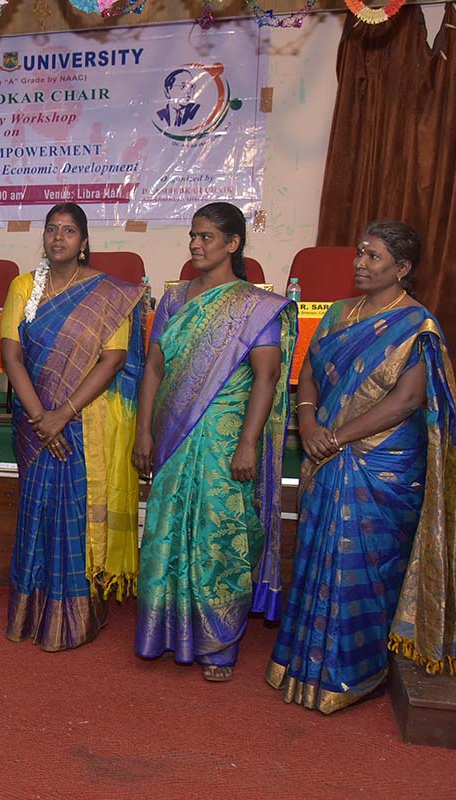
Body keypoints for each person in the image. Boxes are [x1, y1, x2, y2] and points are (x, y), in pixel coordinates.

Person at [268, 221, 456, 713]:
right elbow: (309, 373)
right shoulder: (336, 313)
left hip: (382, 463)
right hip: (324, 450)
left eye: (373, 256)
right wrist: (308, 424)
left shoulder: (417, 325)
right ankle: (302, 662)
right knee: (315, 553)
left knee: (364, 566)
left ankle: (355, 671)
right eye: (360, 253)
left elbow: (407, 399)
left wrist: (337, 437)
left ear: (402, 268)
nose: (360, 263)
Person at [132, 202, 296, 682]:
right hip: (173, 435)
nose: (196, 244)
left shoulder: (255, 306)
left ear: (233, 243)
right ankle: (165, 629)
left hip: (225, 439)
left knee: (218, 536)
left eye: (206, 236)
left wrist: (248, 443)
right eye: (193, 235)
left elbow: (267, 377)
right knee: (166, 530)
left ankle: (217, 641)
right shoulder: (174, 300)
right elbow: (154, 369)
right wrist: (144, 430)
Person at [0, 203, 146, 652]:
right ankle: (29, 615)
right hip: (34, 422)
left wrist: (62, 414)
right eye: (51, 229)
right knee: (36, 512)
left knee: (76, 516)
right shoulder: (23, 286)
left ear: (83, 242)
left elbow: (113, 359)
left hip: (84, 421)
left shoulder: (109, 293)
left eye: (68, 230)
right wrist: (41, 418)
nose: (58, 237)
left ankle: (74, 618)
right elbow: (11, 355)